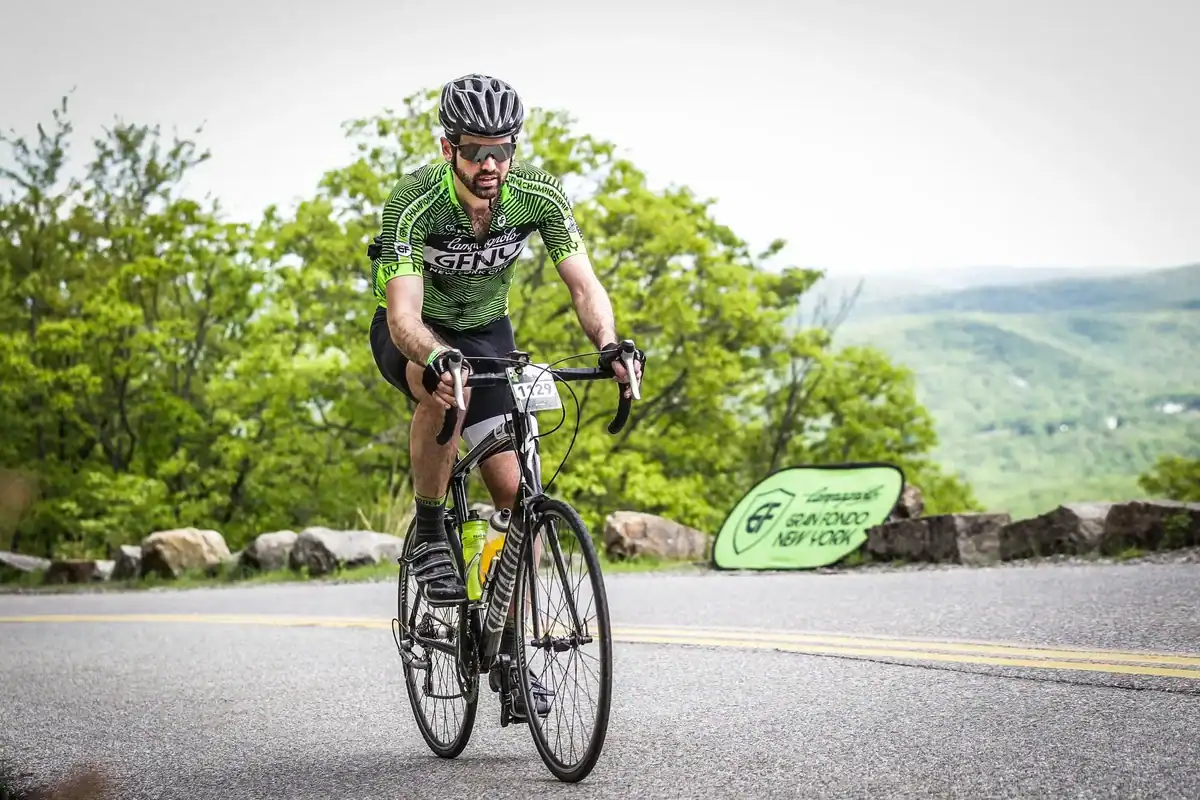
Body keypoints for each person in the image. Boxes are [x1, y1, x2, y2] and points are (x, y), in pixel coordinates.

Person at [366, 73, 644, 719]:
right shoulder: (412, 204)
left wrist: (609, 343)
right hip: (418, 332)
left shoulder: (538, 196)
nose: (490, 165)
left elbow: (583, 283)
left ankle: (510, 653)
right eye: (475, 152)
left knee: (518, 496)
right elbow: (403, 310)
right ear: (448, 149)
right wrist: (434, 355)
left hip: (490, 334)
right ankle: (433, 526)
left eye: (501, 150)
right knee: (440, 392)